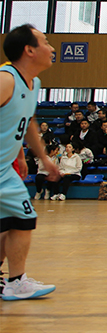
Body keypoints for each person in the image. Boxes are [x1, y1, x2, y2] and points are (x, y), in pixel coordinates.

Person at [0, 24, 59, 300]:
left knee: (16, 220)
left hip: (5, 169)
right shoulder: (6, 80)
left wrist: (39, 157)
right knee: (19, 218)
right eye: (45, 42)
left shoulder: (33, 84)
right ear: (29, 50)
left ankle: (14, 281)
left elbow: (26, 121)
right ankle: (15, 282)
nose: (51, 48)